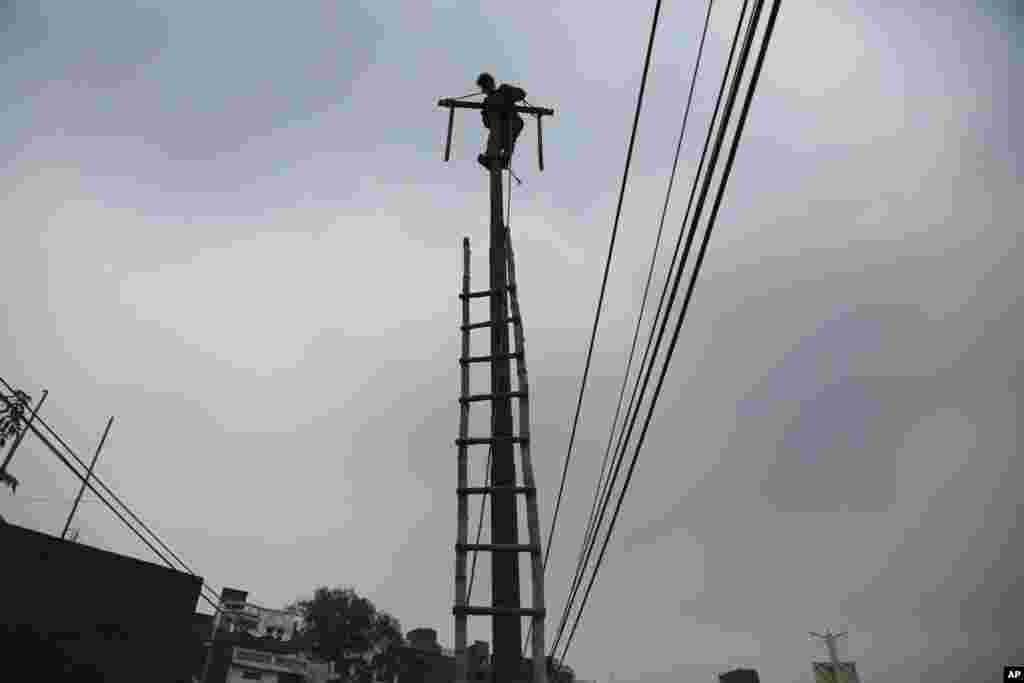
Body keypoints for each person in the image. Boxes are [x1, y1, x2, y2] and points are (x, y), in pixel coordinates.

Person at [475, 72, 526, 170]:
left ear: (492, 83)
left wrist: (509, 91)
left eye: (487, 84)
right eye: (484, 86)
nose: (486, 88)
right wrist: (488, 114)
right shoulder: (487, 102)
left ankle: (503, 158)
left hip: (512, 122)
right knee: (495, 135)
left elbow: (522, 94)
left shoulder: (503, 90)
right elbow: (487, 123)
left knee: (506, 138)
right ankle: (493, 159)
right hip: (499, 126)